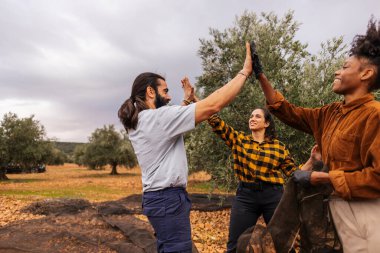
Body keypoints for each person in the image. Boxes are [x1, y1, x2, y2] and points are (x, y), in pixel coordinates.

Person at [253, 18, 380, 253]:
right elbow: (288, 112)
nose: (337, 71)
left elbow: (377, 177)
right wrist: (260, 76)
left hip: (360, 221)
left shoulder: (375, 115)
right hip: (326, 217)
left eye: (344, 67)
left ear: (366, 74)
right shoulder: (329, 113)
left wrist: (320, 178)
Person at [117, 42, 253, 253]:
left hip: (159, 199)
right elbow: (212, 106)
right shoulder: (158, 119)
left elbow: (167, 124)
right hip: (167, 199)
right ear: (151, 92)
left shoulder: (144, 120)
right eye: (166, 90)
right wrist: (244, 72)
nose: (169, 96)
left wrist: (186, 100)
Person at [204, 106, 297, 253]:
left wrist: (312, 160)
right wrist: (197, 100)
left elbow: (293, 173)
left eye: (257, 116)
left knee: (283, 243)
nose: (252, 118)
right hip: (246, 196)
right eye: (251, 116)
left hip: (273, 196)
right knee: (235, 245)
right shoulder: (240, 140)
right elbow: (217, 123)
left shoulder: (278, 147)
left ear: (266, 123)